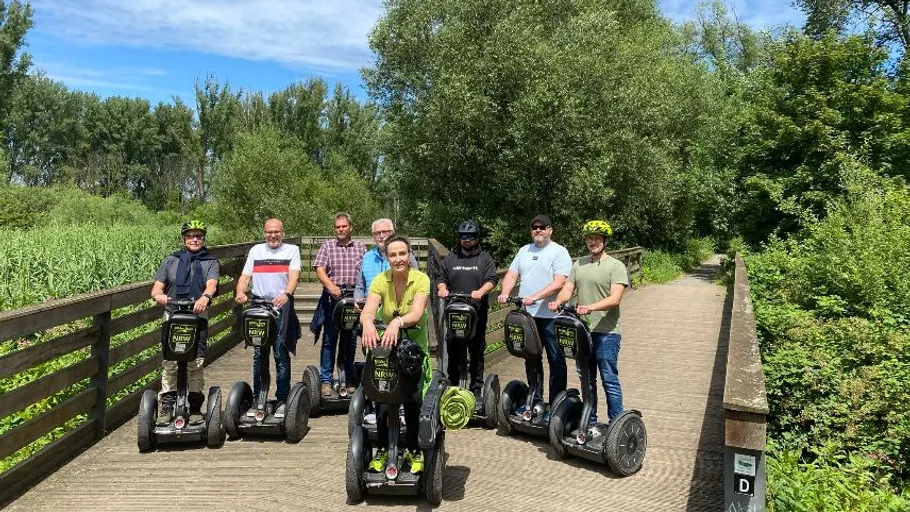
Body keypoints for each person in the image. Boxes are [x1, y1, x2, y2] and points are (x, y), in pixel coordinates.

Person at [359, 235, 432, 474]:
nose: (398, 259)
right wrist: (368, 323)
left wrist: (397, 322)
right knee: (381, 395)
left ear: (409, 254)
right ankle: (381, 448)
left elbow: (417, 313)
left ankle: (414, 449)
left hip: (412, 348)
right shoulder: (381, 280)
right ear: (387, 257)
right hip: (388, 346)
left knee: (412, 399)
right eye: (393, 255)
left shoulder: (421, 279)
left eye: (402, 254)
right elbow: (369, 310)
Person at [549, 220, 628, 426]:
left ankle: (616, 423)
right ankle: (590, 421)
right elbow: (568, 288)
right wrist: (559, 301)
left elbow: (615, 299)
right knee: (586, 379)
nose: (593, 242)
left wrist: (591, 307)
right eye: (590, 238)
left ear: (604, 241)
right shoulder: (579, 264)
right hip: (582, 331)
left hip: (607, 332)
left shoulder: (616, 266)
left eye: (597, 238)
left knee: (609, 379)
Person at [498, 214, 572, 416]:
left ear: (550, 230)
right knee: (531, 358)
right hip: (528, 317)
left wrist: (535, 296)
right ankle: (536, 399)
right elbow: (512, 274)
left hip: (552, 316)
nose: (538, 230)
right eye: (534, 227)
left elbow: (560, 282)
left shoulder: (559, 252)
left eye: (542, 227)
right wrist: (505, 292)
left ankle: (556, 404)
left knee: (556, 359)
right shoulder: (524, 251)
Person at [150, 220, 219, 427]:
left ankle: (196, 407)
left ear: (203, 238)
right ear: (184, 239)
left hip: (197, 316)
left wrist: (205, 297)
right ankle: (167, 408)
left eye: (199, 236)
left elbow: (212, 284)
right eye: (190, 236)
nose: (195, 239)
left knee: (195, 362)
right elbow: (156, 288)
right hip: (173, 315)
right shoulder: (171, 261)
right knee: (170, 363)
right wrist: (159, 296)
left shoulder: (211, 262)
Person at [234, 218, 302, 419]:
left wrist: (287, 294)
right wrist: (240, 292)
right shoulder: (256, 251)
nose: (273, 235)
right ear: (264, 233)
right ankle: (258, 399)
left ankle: (282, 399)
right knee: (258, 355)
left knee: (281, 353)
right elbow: (245, 278)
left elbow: (294, 277)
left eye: (276, 232)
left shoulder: (291, 250)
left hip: (281, 306)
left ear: (283, 232)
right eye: (269, 232)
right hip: (258, 306)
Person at [436, 220, 498, 407]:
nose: (467, 240)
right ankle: (453, 387)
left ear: (476, 238)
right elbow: (441, 277)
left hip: (476, 313)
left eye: (470, 236)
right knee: (454, 350)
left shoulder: (484, 258)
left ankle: (476, 389)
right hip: (455, 312)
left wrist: (480, 292)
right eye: (463, 236)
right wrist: (442, 289)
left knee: (476, 351)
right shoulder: (451, 257)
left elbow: (492, 279)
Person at [312, 212, 366, 397]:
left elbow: (365, 272)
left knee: (350, 339)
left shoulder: (360, 247)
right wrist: (330, 286)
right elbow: (319, 269)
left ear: (350, 227)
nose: (341, 229)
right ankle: (326, 381)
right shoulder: (327, 246)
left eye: (344, 226)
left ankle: (349, 377)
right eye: (338, 227)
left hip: (353, 297)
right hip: (333, 297)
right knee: (329, 339)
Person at [354, 218, 418, 302]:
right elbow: (360, 287)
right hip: (370, 305)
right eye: (377, 233)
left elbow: (415, 282)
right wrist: (358, 301)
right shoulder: (366, 257)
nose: (381, 236)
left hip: (398, 306)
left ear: (392, 233)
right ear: (373, 236)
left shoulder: (405, 256)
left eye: (385, 232)